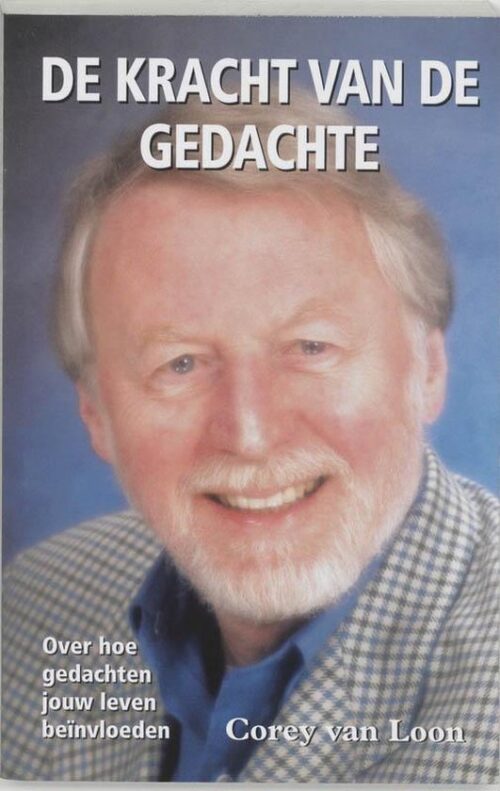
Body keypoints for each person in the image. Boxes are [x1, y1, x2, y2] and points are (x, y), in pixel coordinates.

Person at [2, 94, 497, 784]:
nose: (250, 434)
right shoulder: (36, 601)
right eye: (180, 363)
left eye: (311, 346)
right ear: (95, 412)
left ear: (428, 367)